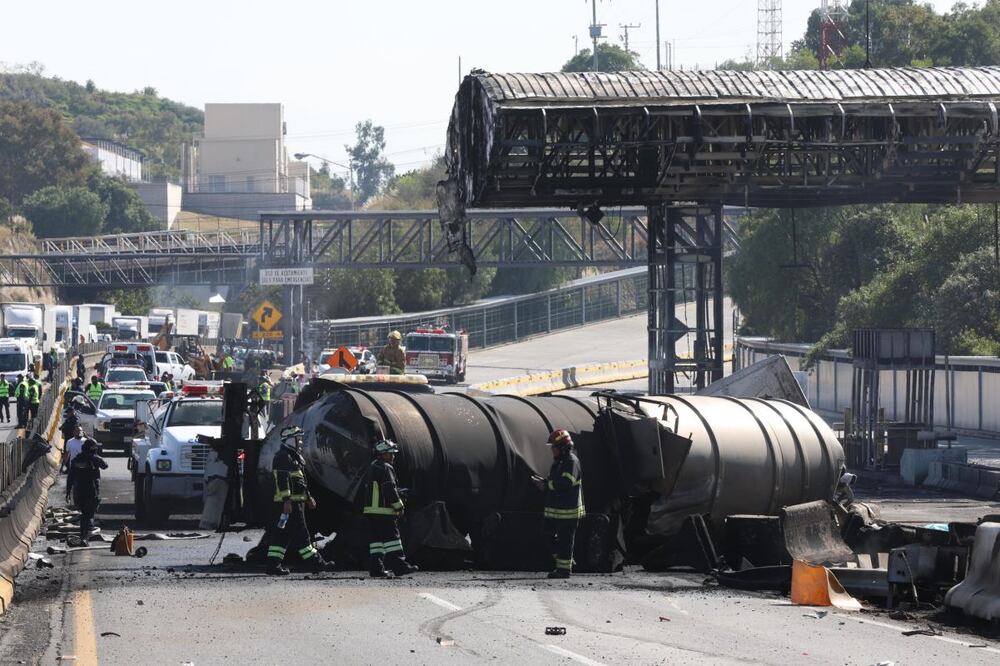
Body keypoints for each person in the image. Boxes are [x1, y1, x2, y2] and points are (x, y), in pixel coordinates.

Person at [264, 426, 334, 576]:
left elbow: (300, 482)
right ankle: (317, 564)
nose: (301, 441)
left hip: (295, 503)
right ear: (290, 440)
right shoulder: (283, 457)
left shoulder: (293, 457)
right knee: (302, 535)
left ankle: (273, 565)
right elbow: (282, 480)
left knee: (282, 536)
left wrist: (308, 497)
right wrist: (287, 501)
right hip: (290, 504)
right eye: (298, 438)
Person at [363, 439, 418, 578]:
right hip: (384, 511)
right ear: (382, 454)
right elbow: (389, 488)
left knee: (377, 542)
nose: (393, 456)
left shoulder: (373, 466)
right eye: (390, 453)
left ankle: (376, 570)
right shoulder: (385, 467)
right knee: (393, 540)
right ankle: (400, 567)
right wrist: (399, 506)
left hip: (371, 511)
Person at [534, 429, 585, 579]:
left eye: (554, 447)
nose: (552, 450)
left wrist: (546, 485)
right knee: (547, 534)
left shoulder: (571, 462)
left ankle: (564, 570)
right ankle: (567, 561)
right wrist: (544, 482)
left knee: (565, 540)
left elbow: (566, 484)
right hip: (556, 510)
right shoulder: (559, 462)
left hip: (568, 511)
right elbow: (555, 481)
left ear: (563, 447)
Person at [69, 439, 107, 542]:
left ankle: (84, 536)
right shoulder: (94, 459)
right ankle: (85, 537)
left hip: (78, 491)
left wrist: (68, 491)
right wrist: (95, 456)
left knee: (84, 514)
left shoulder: (76, 459)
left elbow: (70, 476)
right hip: (91, 490)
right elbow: (105, 465)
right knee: (88, 514)